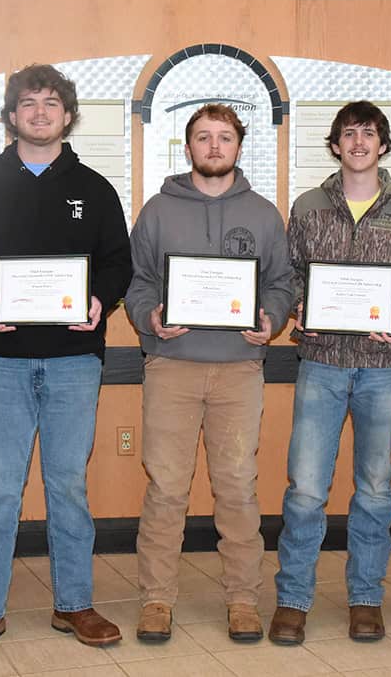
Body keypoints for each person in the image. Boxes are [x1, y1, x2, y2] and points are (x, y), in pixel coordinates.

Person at [0, 64, 133, 653]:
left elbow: (117, 263)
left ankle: (74, 604)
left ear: (68, 115)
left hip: (75, 358)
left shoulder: (96, 189)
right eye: (28, 103)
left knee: (69, 486)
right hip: (0, 359)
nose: (39, 113)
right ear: (11, 115)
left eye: (51, 103)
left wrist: (100, 301)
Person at [124, 103, 292, 643]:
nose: (214, 146)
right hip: (171, 366)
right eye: (203, 137)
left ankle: (243, 599)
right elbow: (138, 281)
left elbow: (281, 284)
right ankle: (156, 598)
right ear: (188, 146)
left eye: (224, 137)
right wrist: (148, 316)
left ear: (239, 146)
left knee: (238, 488)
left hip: (239, 369)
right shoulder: (156, 211)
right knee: (167, 487)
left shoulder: (265, 215)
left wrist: (273, 318)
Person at [269, 101, 391, 645]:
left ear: (384, 145)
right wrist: (299, 311)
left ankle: (366, 598)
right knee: (307, 489)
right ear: (335, 144)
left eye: (369, 134)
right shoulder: (309, 205)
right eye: (349, 134)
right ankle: (293, 599)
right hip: (321, 364)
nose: (359, 142)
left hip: (385, 367)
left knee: (375, 489)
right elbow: (289, 274)